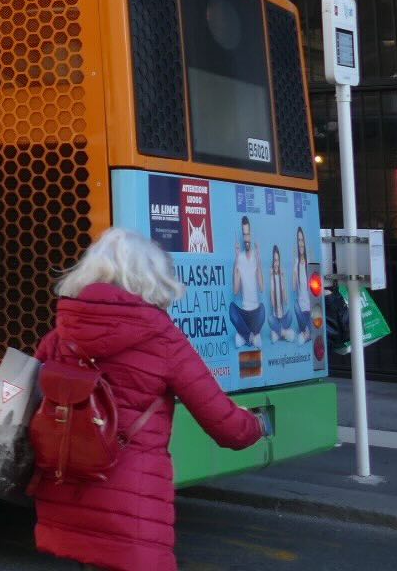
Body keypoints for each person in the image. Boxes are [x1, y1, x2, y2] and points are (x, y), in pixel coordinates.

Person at [30, 228, 266, 571]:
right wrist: (257, 424)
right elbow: (227, 427)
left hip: (67, 488)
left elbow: (33, 404)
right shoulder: (163, 339)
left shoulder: (59, 335)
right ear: (151, 278)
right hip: (131, 501)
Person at [228, 215, 265, 348]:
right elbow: (235, 290)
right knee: (232, 309)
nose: (246, 238)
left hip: (256, 312)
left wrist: (259, 262)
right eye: (244, 235)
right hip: (244, 313)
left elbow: (261, 287)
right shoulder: (240, 258)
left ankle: (244, 335)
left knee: (263, 310)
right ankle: (251, 336)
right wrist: (236, 261)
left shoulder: (256, 256)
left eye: (248, 234)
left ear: (251, 234)